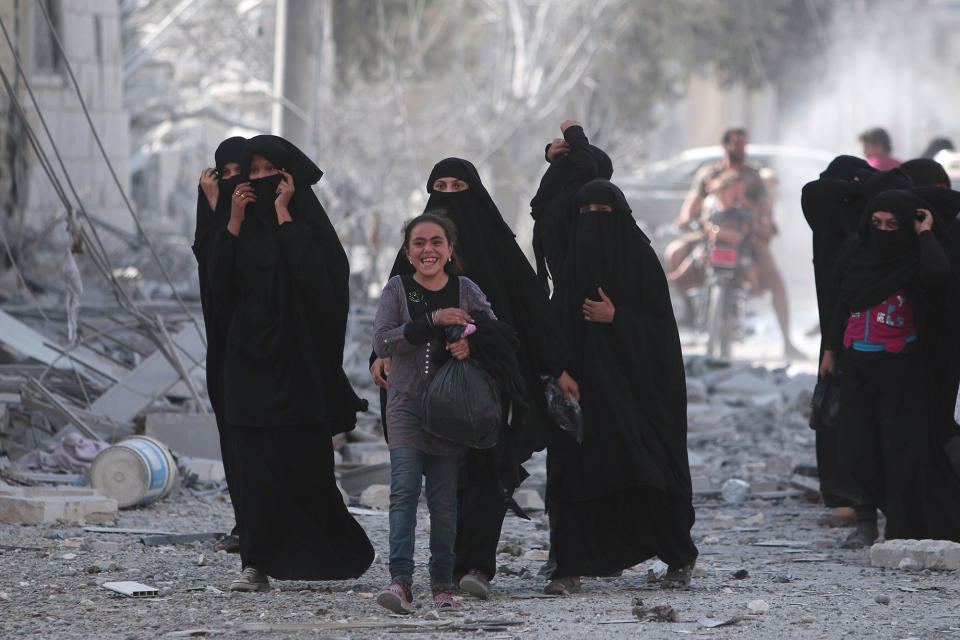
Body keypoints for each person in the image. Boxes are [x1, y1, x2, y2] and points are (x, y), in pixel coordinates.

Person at [371, 158, 579, 600]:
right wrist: (378, 357)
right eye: (439, 186)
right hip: (419, 388)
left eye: (458, 185)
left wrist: (556, 366)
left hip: (489, 388)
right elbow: (390, 321)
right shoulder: (410, 263)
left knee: (486, 474)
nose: (448, 194)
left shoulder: (497, 255)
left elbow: (527, 316)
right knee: (427, 486)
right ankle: (414, 575)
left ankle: (474, 567)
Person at [207, 134, 374, 591]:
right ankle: (256, 564)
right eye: (252, 171)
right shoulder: (238, 228)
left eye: (269, 172)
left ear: (288, 177)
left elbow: (321, 283)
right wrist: (235, 218)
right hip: (246, 361)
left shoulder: (306, 223)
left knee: (301, 463)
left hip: (297, 364)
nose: (259, 179)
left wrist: (283, 216)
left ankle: (326, 554)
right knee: (253, 467)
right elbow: (219, 288)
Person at [545, 178, 698, 594]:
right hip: (582, 391)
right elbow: (553, 327)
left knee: (647, 469)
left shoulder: (641, 263)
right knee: (576, 474)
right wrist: (558, 370)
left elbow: (663, 335)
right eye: (585, 215)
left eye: (603, 214)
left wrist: (618, 319)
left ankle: (678, 557)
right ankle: (569, 567)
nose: (593, 224)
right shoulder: (572, 266)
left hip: (637, 393)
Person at [372, 213, 498, 613]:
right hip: (406, 408)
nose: (428, 249)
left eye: (436, 242)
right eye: (419, 243)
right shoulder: (396, 289)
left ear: (449, 250)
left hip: (451, 415)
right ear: (408, 253)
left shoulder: (465, 290)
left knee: (444, 503)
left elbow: (495, 331)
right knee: (404, 493)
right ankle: (401, 582)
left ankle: (442, 585)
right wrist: (432, 321)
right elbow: (382, 340)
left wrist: (470, 343)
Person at [820, 190, 960, 544]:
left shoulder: (912, 258)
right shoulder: (857, 252)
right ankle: (867, 517)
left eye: (893, 224)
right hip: (855, 365)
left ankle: (897, 528)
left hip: (900, 367)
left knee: (899, 452)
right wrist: (830, 350)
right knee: (855, 449)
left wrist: (924, 232)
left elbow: (938, 273)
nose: (883, 231)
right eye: (877, 222)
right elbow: (843, 301)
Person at [668, 128, 803, 359]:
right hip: (710, 232)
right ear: (725, 145)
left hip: (745, 234)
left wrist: (765, 224)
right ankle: (691, 314)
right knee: (675, 254)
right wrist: (685, 219)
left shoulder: (753, 175)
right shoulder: (709, 172)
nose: (739, 147)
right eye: (735, 143)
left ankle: (788, 342)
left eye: (743, 143)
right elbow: (693, 201)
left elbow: (764, 205)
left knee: (774, 277)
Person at [800, 155, 876, 528]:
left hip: (865, 333)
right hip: (840, 332)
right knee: (837, 413)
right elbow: (814, 192)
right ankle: (848, 499)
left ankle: (859, 498)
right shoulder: (835, 217)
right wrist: (863, 184)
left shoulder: (867, 226)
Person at [193, 136, 246, 554]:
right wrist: (214, 207)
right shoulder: (215, 212)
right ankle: (245, 523)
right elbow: (211, 264)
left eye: (238, 175)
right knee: (233, 433)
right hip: (226, 345)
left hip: (264, 345)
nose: (230, 183)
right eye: (223, 175)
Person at [530, 120, 613, 293]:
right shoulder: (559, 215)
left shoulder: (552, 215)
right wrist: (574, 133)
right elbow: (586, 169)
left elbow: (584, 169)